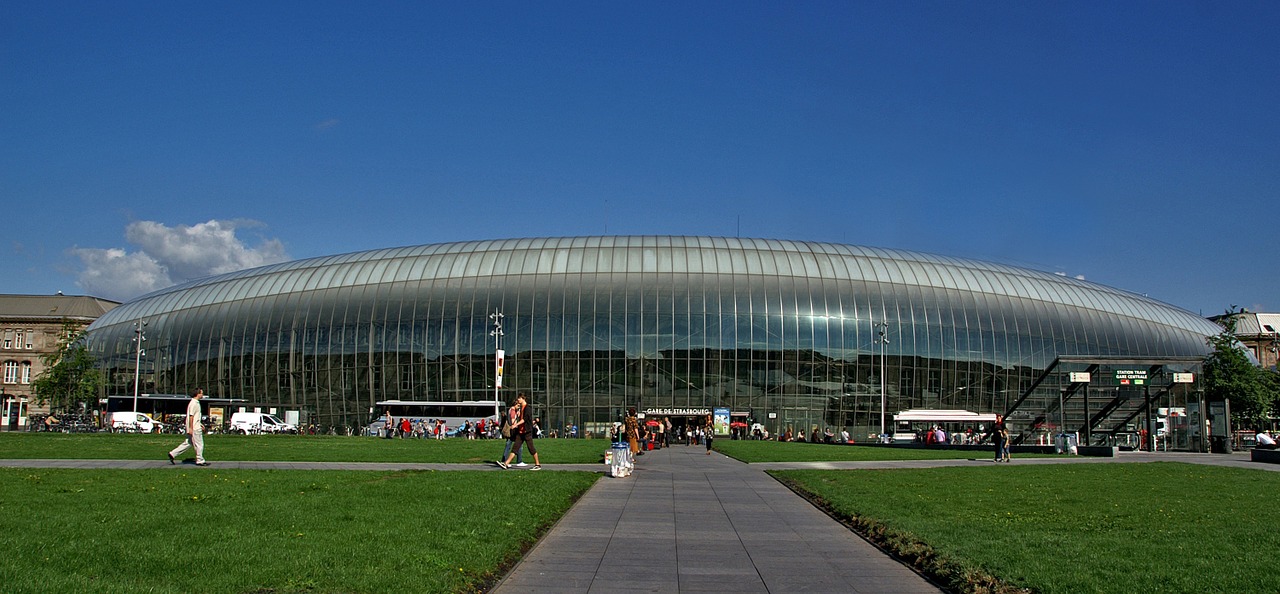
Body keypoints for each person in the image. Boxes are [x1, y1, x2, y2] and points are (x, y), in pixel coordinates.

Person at [498, 393, 542, 470]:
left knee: (531, 448)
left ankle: (537, 464)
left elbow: (524, 419)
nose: (518, 400)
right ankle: (506, 463)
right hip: (521, 432)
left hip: (527, 431)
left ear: (523, 399)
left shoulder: (527, 408)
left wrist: (515, 425)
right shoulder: (521, 408)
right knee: (515, 448)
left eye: (519, 398)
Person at [168, 388, 209, 466]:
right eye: (201, 393)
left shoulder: (195, 403)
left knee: (188, 443)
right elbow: (191, 416)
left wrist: (200, 424)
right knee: (199, 444)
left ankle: (172, 454)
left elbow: (195, 416)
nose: (202, 395)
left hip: (195, 425)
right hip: (195, 428)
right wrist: (191, 428)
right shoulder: (194, 403)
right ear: (198, 394)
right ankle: (200, 460)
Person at [499, 400, 525, 467]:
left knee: (509, 445)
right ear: (515, 405)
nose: (519, 407)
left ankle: (504, 460)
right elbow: (513, 421)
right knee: (518, 444)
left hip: (511, 430)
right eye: (518, 406)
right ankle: (519, 461)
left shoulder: (511, 410)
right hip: (513, 430)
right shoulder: (513, 411)